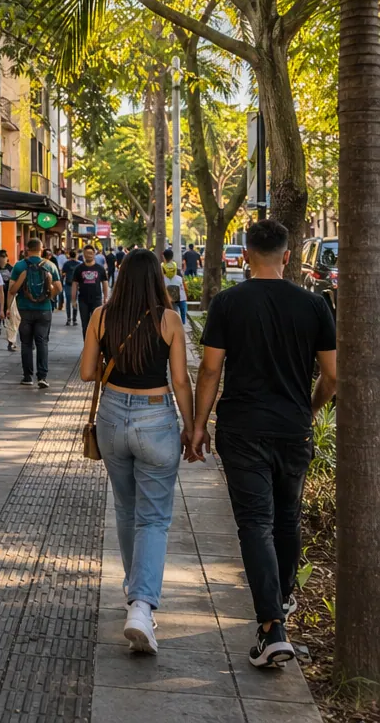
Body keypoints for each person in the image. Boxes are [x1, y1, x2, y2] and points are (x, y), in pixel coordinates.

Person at [191, 219, 337, 668]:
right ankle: (282, 602)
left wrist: (198, 425)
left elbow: (211, 370)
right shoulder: (315, 306)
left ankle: (272, 625)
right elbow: (332, 377)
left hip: (242, 428)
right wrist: (309, 410)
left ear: (246, 256)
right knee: (287, 517)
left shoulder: (228, 304)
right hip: (292, 428)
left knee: (255, 523)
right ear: (288, 256)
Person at [81, 249, 194, 655]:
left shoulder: (101, 317)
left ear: (122, 276)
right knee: (154, 518)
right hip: (155, 416)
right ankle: (142, 606)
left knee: (127, 509)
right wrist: (194, 426)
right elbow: (180, 380)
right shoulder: (169, 320)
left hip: (111, 415)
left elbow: (87, 372)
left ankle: (136, 593)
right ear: (157, 281)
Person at [8, 239, 62, 387]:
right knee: (42, 342)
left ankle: (27, 377)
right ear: (41, 248)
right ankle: (42, 377)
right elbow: (59, 287)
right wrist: (49, 296)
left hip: (24, 309)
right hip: (44, 310)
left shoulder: (19, 266)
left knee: (26, 343)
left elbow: (12, 290)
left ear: (27, 249)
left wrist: (7, 308)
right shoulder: (50, 265)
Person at [72, 246, 109, 337]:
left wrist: (106, 297)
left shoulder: (100, 268)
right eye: (87, 253)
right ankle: (87, 346)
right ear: (83, 254)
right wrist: (73, 300)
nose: (89, 255)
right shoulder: (79, 268)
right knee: (85, 325)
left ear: (94, 254)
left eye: (91, 253)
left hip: (97, 299)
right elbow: (75, 284)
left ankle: (97, 345)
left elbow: (105, 283)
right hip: (83, 300)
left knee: (97, 324)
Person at [0, 250, 18, 351]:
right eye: (0, 257)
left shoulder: (11, 269)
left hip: (9, 297)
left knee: (10, 320)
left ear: (7, 258)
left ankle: (11, 342)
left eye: (4, 257)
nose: (2, 259)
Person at [161, 249, 187, 324]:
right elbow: (182, 280)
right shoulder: (176, 267)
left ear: (164, 257)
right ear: (172, 256)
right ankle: (182, 324)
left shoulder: (162, 267)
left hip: (167, 296)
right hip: (179, 295)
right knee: (182, 310)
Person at [61, 249, 81, 325]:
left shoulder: (66, 264)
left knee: (68, 302)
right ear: (76, 255)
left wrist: (62, 281)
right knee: (75, 301)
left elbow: (63, 274)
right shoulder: (80, 264)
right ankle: (75, 319)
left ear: (69, 255)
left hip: (68, 284)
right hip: (77, 285)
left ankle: (69, 319)